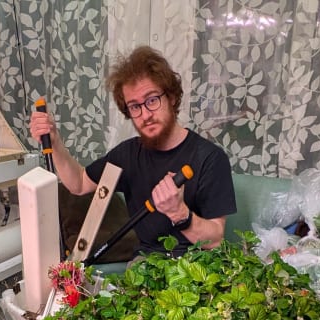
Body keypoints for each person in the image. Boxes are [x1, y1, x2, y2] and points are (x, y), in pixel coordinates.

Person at [29, 46, 236, 257]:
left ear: (172, 97)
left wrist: (179, 212)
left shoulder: (209, 157)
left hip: (198, 266)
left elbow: (215, 238)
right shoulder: (127, 155)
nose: (145, 114)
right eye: (135, 106)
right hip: (146, 266)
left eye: (152, 100)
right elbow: (79, 183)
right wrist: (55, 142)